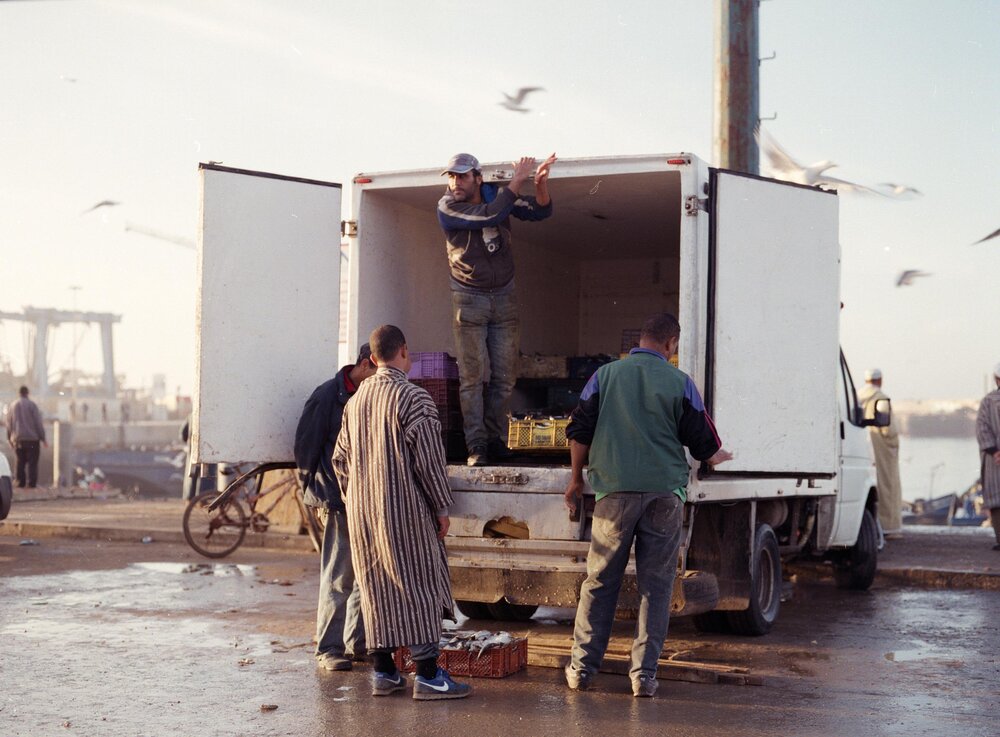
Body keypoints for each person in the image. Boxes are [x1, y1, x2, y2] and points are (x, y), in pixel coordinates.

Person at [562, 313, 732, 698]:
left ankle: (581, 669)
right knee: (656, 586)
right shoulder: (680, 383)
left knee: (600, 582)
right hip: (663, 496)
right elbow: (704, 443)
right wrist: (720, 456)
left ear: (640, 340)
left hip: (614, 494)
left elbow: (578, 432)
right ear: (671, 344)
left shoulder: (604, 377)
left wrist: (575, 480)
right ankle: (644, 677)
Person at [333, 325, 471, 701]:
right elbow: (428, 462)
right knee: (420, 584)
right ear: (404, 352)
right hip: (407, 513)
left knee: (375, 586)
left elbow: (340, 460)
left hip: (363, 515)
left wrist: (358, 498)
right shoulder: (414, 399)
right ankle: (427, 674)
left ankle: (384, 672)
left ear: (373, 358)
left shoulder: (355, 402)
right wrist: (441, 506)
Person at [437, 151, 557, 466]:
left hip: (504, 298)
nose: (455, 182)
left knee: (505, 377)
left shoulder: (498, 197)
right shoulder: (448, 206)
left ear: (478, 177)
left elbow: (540, 212)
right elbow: (491, 215)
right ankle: (476, 446)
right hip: (468, 299)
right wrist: (518, 180)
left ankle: (494, 439)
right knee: (472, 378)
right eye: (451, 176)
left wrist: (540, 185)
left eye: (462, 175)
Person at [294, 344, 377, 671]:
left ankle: (355, 644)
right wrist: (314, 493)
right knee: (339, 576)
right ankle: (328, 648)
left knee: (362, 576)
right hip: (334, 498)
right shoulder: (328, 395)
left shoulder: (368, 395)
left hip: (363, 499)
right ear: (366, 364)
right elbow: (306, 446)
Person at [858, 368, 903, 537]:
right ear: (880, 380)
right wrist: (893, 445)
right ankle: (889, 527)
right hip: (882, 450)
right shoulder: (881, 399)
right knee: (887, 487)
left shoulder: (857, 396)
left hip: (863, 448)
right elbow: (889, 430)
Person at [976, 363, 1000, 551]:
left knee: (996, 502)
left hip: (995, 461)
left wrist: (994, 452)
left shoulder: (987, 401)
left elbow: (982, 429)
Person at [6, 386, 48, 488]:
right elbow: (38, 423)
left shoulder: (12, 406)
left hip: (18, 439)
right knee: (32, 463)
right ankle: (31, 484)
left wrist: (9, 439)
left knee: (20, 462)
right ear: (27, 393)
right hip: (32, 439)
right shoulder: (32, 405)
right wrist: (43, 438)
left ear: (19, 393)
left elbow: (9, 424)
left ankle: (20, 483)